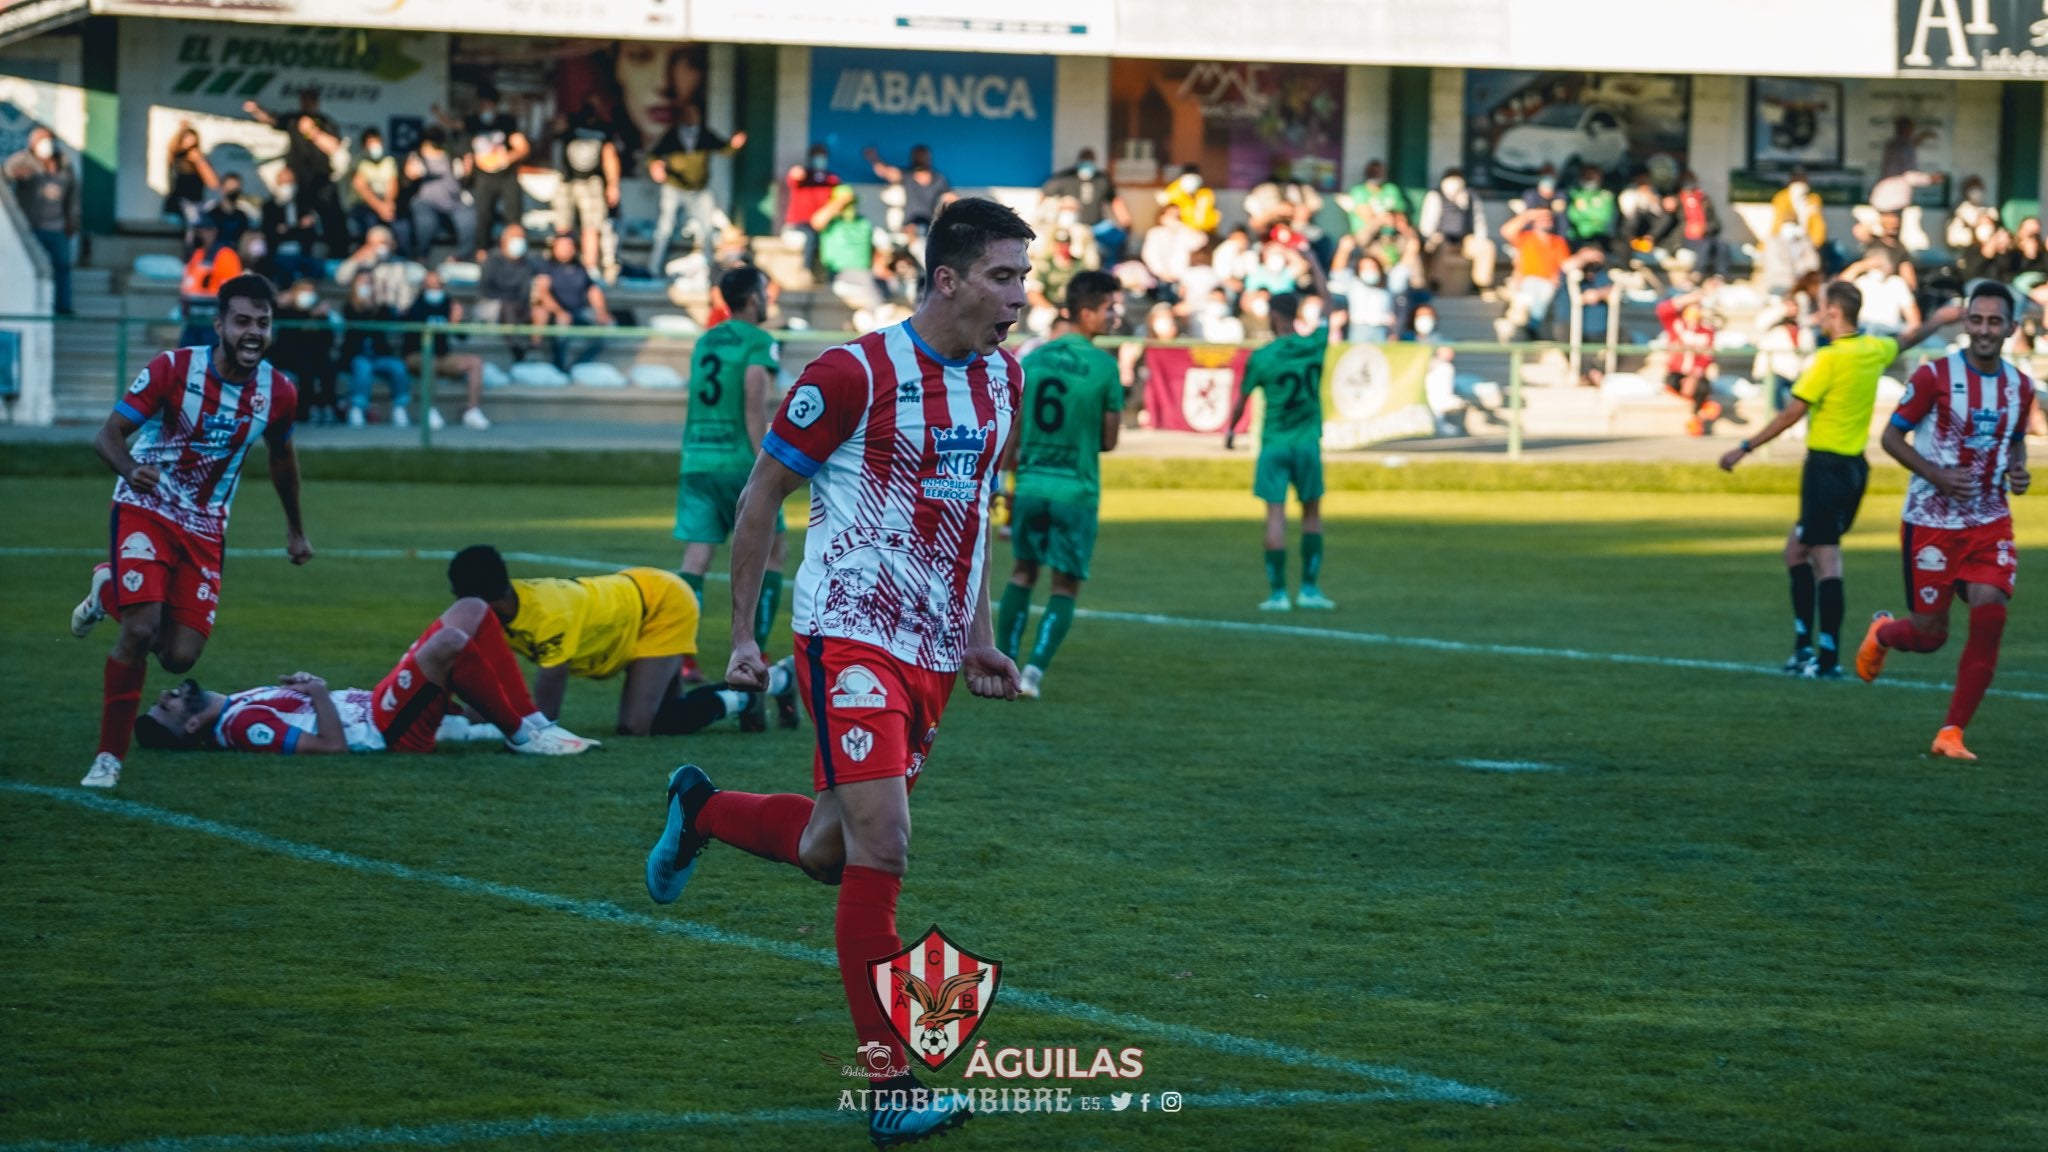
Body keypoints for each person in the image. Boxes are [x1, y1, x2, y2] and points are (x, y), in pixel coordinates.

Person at [641, 197, 1032, 1148]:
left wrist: (977, 634)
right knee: (884, 844)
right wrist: (743, 634)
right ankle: (892, 1088)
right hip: (847, 634)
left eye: (1025, 277)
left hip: (933, 653)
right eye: (1003, 277)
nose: (1020, 297)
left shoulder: (1003, 384)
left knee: (830, 852)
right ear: (947, 279)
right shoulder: (853, 372)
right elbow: (763, 493)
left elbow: (974, 515)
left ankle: (699, 810)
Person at [69, 274, 312, 789]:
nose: (253, 332)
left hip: (205, 528)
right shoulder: (174, 369)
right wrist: (130, 468)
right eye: (242, 321)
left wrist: (296, 529)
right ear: (219, 324)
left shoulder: (279, 391)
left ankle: (107, 588)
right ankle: (109, 758)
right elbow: (107, 435)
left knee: (179, 657)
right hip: (147, 505)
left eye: (263, 323)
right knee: (139, 630)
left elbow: (282, 459)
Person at [1718, 286, 1960, 679]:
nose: (1816, 316)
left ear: (1833, 312)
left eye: (1820, 310)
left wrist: (1743, 447)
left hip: (1826, 468)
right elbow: (1905, 341)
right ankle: (1803, 647)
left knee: (1825, 556)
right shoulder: (1871, 349)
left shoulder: (1828, 359)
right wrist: (1939, 319)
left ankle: (1826, 657)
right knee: (1796, 552)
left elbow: (1791, 414)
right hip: (1853, 470)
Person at [1854, 284, 2033, 760]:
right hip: (1930, 522)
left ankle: (1951, 732)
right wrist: (1937, 475)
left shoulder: (2021, 385)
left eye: (1995, 322)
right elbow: (1892, 437)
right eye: (1976, 320)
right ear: (1965, 323)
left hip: (1990, 520)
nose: (1984, 330)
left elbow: (2013, 438)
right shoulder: (1935, 376)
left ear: (2011, 329)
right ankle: (1884, 633)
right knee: (1930, 636)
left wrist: (2018, 469)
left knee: (1991, 612)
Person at [132, 599, 598, 757]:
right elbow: (330, 748)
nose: (170, 692)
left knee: (473, 609)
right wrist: (315, 691)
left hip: (377, 702)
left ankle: (537, 722)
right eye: (168, 705)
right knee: (451, 641)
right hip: (383, 728)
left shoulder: (235, 704)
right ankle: (522, 736)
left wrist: (315, 693)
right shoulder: (239, 726)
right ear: (192, 726)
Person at [447, 545, 790, 737]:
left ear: (482, 602)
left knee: (636, 726)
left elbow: (543, 718)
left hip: (662, 605)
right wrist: (469, 721)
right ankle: (758, 690)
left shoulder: (547, 617)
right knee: (667, 718)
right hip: (631, 601)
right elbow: (484, 675)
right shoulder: (501, 609)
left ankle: (758, 693)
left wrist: (513, 732)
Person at [994, 271, 1122, 699]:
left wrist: (1003, 479)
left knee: (1021, 573)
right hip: (1075, 490)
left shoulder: (1033, 359)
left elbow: (1013, 429)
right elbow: (1109, 440)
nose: (1115, 316)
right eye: (1109, 308)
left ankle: (1005, 665)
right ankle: (1032, 673)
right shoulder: (1105, 366)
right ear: (1086, 313)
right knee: (1064, 586)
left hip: (1030, 485)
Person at [675, 266, 792, 718]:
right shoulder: (757, 341)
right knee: (776, 549)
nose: (768, 300)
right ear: (751, 298)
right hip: (737, 461)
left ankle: (681, 656)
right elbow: (752, 397)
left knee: (696, 558)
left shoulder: (706, 340)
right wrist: (764, 456)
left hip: (696, 458)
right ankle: (755, 653)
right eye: (765, 292)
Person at [1223, 292, 1334, 611]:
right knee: (1311, 515)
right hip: (1307, 442)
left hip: (1274, 443)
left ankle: (1278, 594)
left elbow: (1242, 401)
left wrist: (1231, 431)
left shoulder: (1263, 357)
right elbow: (1328, 302)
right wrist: (1311, 259)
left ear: (1273, 316)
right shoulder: (1315, 344)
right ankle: (1310, 590)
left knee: (1275, 517)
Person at [242, 90, 347, 258]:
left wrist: (312, 131)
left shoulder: (326, 122)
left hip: (321, 177)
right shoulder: (293, 119)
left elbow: (333, 146)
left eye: (310, 100)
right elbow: (271, 120)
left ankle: (338, 256)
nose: (306, 104)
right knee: (296, 220)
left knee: (333, 219)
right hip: (299, 180)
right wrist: (256, 110)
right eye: (304, 100)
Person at [648, 103, 746, 276]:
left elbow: (724, 149)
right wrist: (655, 166)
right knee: (665, 228)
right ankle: (654, 268)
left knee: (707, 229)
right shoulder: (672, 135)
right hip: (674, 187)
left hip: (699, 189)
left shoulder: (704, 134)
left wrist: (735, 144)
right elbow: (653, 155)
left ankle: (710, 270)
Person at [402, 270, 489, 431]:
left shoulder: (448, 304)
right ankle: (429, 410)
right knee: (431, 361)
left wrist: (457, 322)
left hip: (443, 356)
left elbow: (462, 336)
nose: (434, 288)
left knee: (475, 362)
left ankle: (472, 410)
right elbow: (409, 335)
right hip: (417, 355)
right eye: (430, 285)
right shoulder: (415, 305)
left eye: (437, 284)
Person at [5, 127, 79, 315]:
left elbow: (73, 195)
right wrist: (15, 174)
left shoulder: (63, 164)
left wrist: (73, 220)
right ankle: (34, 307)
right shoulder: (23, 161)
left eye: (48, 139)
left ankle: (62, 306)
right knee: (35, 268)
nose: (46, 144)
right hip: (31, 227)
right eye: (41, 140)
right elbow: (5, 175)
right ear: (33, 144)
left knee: (62, 267)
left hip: (57, 227)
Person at [553, 92, 622, 274]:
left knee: (591, 226)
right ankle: (561, 263)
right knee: (563, 225)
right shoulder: (572, 121)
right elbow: (555, 134)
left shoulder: (604, 128)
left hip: (592, 181)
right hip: (568, 179)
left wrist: (613, 184)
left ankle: (590, 267)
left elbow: (609, 156)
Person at [463, 85, 532, 258]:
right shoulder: (473, 121)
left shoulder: (506, 122)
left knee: (513, 213)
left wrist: (507, 157)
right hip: (483, 176)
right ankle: (482, 252)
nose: (484, 107)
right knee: (483, 214)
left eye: (487, 103)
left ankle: (515, 251)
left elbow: (523, 147)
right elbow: (454, 126)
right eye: (481, 103)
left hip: (506, 175)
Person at [340, 270, 412, 428]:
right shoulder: (348, 307)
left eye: (369, 282)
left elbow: (393, 318)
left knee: (398, 367)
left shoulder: (382, 308)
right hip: (357, 356)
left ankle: (399, 408)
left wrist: (379, 302)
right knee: (363, 367)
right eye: (363, 282)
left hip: (379, 356)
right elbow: (353, 323)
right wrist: (364, 306)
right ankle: (358, 407)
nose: (367, 286)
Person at [533, 231, 615, 370]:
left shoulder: (580, 267)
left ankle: (579, 365)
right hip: (556, 312)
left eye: (569, 245)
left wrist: (601, 311)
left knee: (609, 324)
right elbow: (543, 293)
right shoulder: (547, 266)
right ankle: (559, 365)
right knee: (562, 323)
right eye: (562, 245)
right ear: (554, 247)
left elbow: (593, 290)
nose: (566, 248)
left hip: (578, 311)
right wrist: (560, 312)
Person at [1656, 286, 1725, 436]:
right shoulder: (1676, 323)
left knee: (1701, 387)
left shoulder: (1707, 331)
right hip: (1676, 373)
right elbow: (1662, 310)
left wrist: (1694, 375)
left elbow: (1706, 357)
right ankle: (1703, 407)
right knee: (1674, 382)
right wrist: (1689, 298)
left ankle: (1695, 418)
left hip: (1695, 375)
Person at [1041, 148, 1131, 259]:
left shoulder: (1102, 178)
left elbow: (1114, 201)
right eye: (1085, 159)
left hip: (1098, 225)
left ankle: (1110, 271)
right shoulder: (1065, 177)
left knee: (1118, 239)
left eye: (1090, 160)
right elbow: (1044, 195)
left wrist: (1125, 221)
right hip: (1072, 226)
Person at [272, 279, 339, 425]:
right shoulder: (285, 312)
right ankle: (305, 411)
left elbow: (328, 341)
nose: (307, 295)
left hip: (316, 356)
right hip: (290, 357)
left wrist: (320, 317)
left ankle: (327, 407)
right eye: (303, 291)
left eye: (310, 291)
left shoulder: (321, 315)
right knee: (306, 370)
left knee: (328, 367)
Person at [404, 126, 476, 261]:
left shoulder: (452, 156)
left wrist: (467, 173)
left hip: (453, 202)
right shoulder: (417, 156)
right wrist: (410, 174)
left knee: (469, 219)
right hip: (427, 203)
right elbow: (407, 178)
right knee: (425, 221)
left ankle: (461, 257)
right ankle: (421, 255)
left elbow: (466, 181)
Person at [1500, 206, 1570, 341]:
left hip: (1547, 282)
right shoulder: (1526, 237)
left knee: (1545, 293)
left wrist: (1556, 277)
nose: (1545, 221)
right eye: (1542, 219)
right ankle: (1523, 327)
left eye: (1548, 218)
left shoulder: (1558, 242)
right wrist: (1528, 215)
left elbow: (1563, 264)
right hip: (1526, 280)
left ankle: (1532, 328)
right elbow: (1506, 231)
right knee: (1527, 298)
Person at [1417, 167, 1493, 292]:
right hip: (1443, 237)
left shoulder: (1470, 196)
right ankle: (1435, 283)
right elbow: (1428, 223)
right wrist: (1429, 239)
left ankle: (1480, 284)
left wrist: (1480, 239)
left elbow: (1479, 221)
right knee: (1439, 246)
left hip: (1464, 239)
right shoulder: (1435, 195)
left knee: (1486, 247)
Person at [477, 224, 541, 363]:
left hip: (518, 305)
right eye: (515, 237)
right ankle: (515, 347)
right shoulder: (492, 260)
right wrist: (508, 300)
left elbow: (525, 292)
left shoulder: (527, 264)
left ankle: (537, 346)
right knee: (508, 306)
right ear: (504, 240)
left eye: (521, 237)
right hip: (493, 305)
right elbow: (486, 289)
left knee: (538, 310)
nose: (519, 240)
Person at [865, 144, 955, 240]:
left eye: (923, 156)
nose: (921, 159)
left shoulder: (939, 179)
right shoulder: (907, 175)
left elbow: (951, 198)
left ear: (929, 157)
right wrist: (874, 159)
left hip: (928, 226)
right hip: (908, 226)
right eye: (918, 156)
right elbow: (886, 172)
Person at [177, 218, 243, 348]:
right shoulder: (198, 254)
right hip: (193, 320)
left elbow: (232, 290)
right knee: (187, 359)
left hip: (212, 322)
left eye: (202, 231)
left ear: (213, 232)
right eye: (197, 231)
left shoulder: (225, 255)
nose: (198, 234)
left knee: (211, 361)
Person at [781, 145, 841, 277]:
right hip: (800, 223)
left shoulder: (832, 179)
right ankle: (807, 270)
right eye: (816, 155)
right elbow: (794, 177)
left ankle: (832, 273)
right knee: (811, 235)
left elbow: (839, 199)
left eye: (822, 155)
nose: (819, 159)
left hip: (823, 223)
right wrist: (796, 172)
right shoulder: (804, 175)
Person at [163, 122, 219, 254]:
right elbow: (171, 148)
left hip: (197, 206)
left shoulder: (200, 160)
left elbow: (214, 183)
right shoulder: (176, 158)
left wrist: (199, 161)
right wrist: (182, 130)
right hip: (178, 206)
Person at [347, 128, 403, 248]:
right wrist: (380, 207)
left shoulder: (388, 160)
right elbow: (362, 188)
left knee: (401, 226)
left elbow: (392, 183)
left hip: (384, 203)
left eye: (377, 142)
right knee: (369, 223)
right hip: (364, 204)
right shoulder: (359, 161)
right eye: (370, 143)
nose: (375, 146)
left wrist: (388, 204)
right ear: (364, 146)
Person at [1157, 165, 1219, 234]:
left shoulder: (1206, 193)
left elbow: (1209, 215)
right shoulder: (1173, 192)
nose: (1191, 181)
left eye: (1194, 177)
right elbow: (1166, 216)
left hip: (1203, 232)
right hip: (1179, 232)